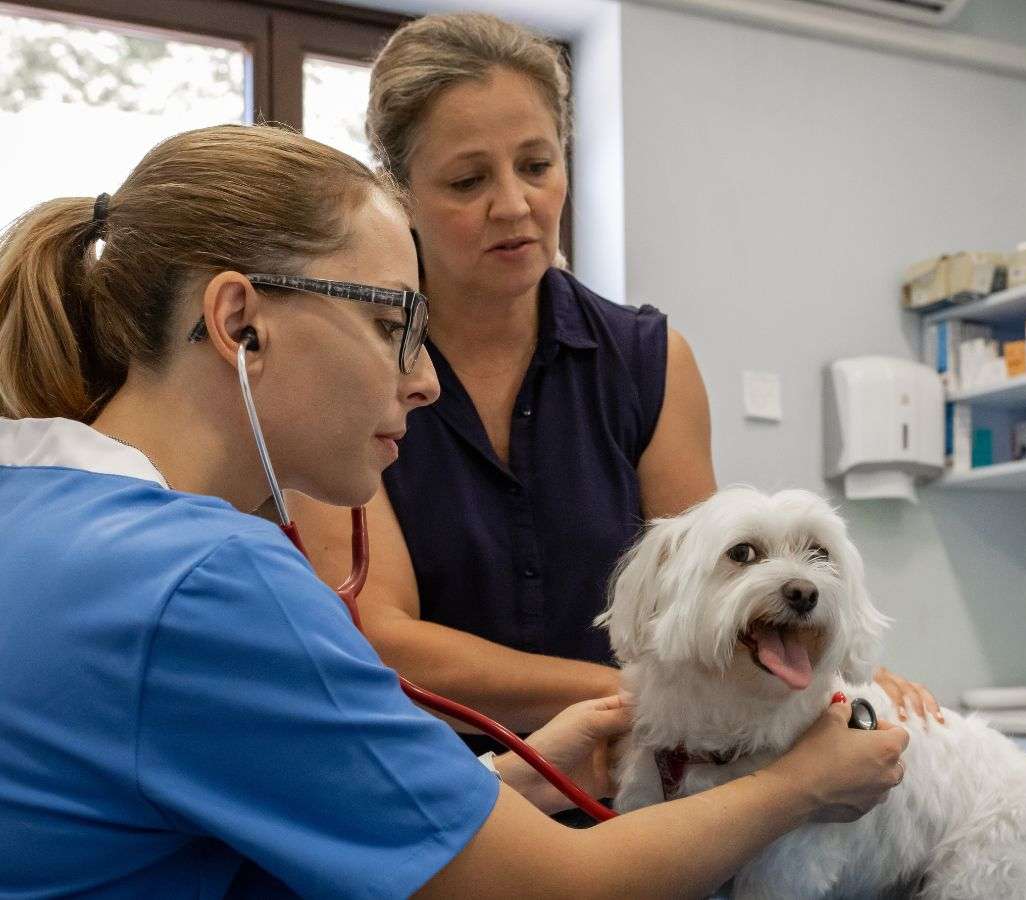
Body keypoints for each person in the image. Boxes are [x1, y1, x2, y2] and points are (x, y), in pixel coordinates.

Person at [0, 123, 909, 897]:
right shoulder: (204, 582)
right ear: (240, 323)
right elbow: (557, 888)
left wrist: (517, 775)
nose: (425, 379)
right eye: (394, 325)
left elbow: (261, 812)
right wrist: (802, 786)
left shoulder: (40, 509)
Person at [289, 13, 943, 745]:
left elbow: (710, 599)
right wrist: (631, 695)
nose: (515, 205)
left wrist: (837, 674)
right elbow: (382, 641)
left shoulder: (647, 363)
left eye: (537, 166)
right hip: (440, 781)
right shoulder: (345, 371)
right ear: (400, 192)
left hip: (635, 778)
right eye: (468, 181)